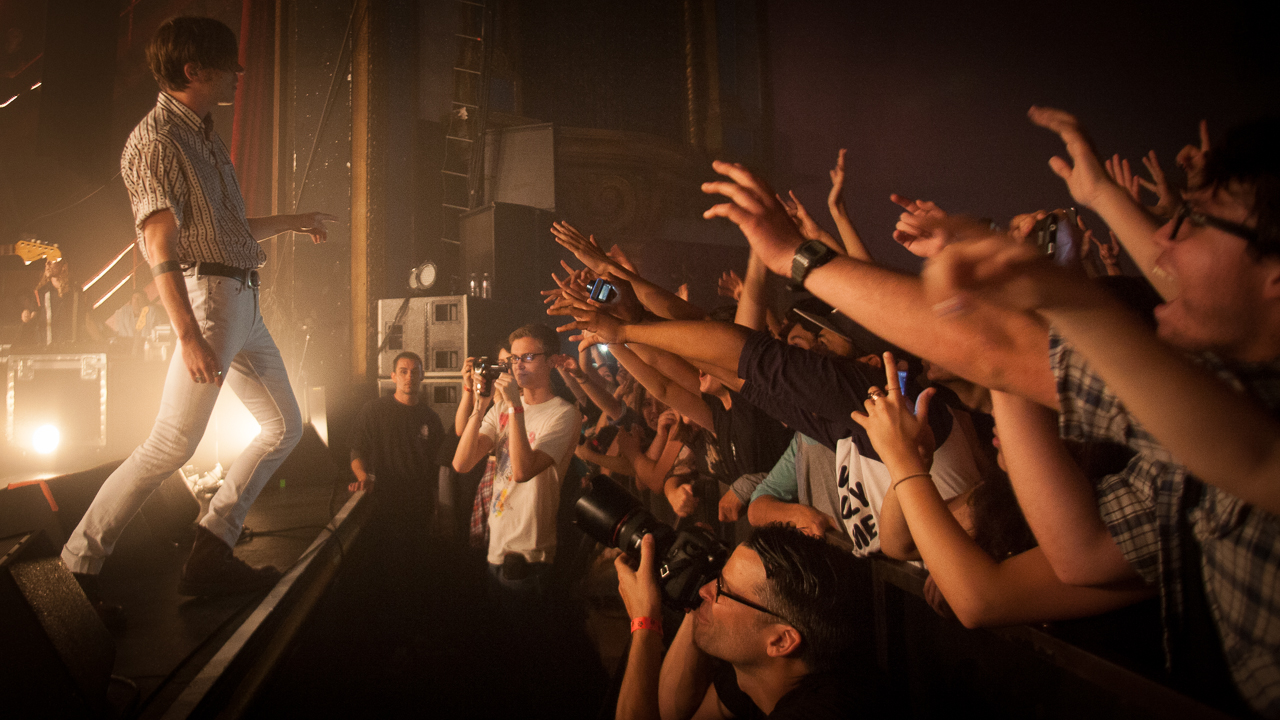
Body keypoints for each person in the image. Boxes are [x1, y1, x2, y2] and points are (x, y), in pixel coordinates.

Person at [60, 17, 336, 608]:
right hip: (211, 302)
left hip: (240, 300)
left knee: (284, 427)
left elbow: (227, 232)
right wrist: (188, 334)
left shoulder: (203, 135)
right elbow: (159, 242)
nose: (238, 73)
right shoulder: (158, 140)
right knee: (170, 444)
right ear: (194, 70)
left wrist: (296, 221)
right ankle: (75, 570)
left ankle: (211, 547)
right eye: (228, 65)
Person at [614, 524, 880, 720]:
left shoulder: (820, 713)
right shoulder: (764, 673)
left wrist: (645, 623)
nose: (704, 590)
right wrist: (695, 591)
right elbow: (671, 713)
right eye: (717, 578)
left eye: (723, 589)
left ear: (780, 640)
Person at [451, 323, 582, 602]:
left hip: (530, 553)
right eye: (514, 358)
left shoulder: (564, 414)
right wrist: (480, 404)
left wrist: (516, 407)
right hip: (496, 544)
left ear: (551, 361)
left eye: (528, 357)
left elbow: (523, 471)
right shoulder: (501, 407)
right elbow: (462, 463)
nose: (518, 365)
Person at [348, 351, 446, 522]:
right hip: (381, 504)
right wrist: (363, 478)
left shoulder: (431, 418)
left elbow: (438, 468)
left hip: (420, 506)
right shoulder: (374, 411)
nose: (409, 377)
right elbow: (357, 450)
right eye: (403, 371)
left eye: (414, 372)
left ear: (422, 376)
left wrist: (440, 506)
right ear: (393, 376)